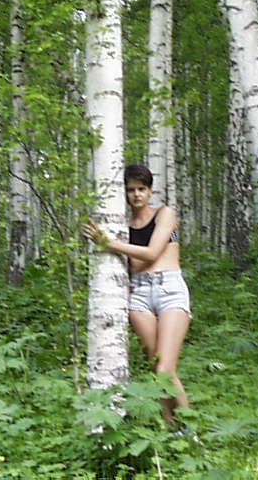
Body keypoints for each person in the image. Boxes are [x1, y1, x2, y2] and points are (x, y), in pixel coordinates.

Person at [83, 165, 191, 429]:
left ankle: (190, 429)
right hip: (139, 294)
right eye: (130, 190)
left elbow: (152, 253)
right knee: (156, 367)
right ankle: (171, 427)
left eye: (141, 189)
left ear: (150, 191)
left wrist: (108, 243)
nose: (136, 195)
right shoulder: (122, 226)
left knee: (165, 369)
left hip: (169, 288)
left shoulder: (165, 215)